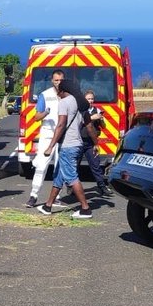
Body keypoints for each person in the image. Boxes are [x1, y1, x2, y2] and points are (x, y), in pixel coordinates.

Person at [37, 78, 93, 219]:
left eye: (58, 91)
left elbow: (61, 125)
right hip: (77, 143)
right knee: (59, 176)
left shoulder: (64, 102)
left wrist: (50, 146)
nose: (57, 94)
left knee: (71, 177)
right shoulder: (80, 103)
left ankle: (85, 209)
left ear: (62, 91)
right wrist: (96, 143)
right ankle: (48, 206)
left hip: (68, 145)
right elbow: (89, 126)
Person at [26, 69, 64, 207]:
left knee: (60, 168)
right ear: (52, 81)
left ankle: (57, 196)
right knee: (41, 166)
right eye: (56, 80)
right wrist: (45, 112)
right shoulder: (45, 95)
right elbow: (36, 117)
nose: (58, 83)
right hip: (48, 134)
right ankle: (33, 195)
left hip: (63, 135)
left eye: (60, 80)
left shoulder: (68, 95)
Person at [81, 89, 115, 198]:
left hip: (91, 142)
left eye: (92, 99)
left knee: (96, 165)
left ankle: (102, 187)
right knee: (74, 165)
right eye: (88, 99)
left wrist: (101, 119)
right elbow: (78, 122)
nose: (90, 101)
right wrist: (91, 118)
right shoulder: (79, 110)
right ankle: (71, 187)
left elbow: (104, 127)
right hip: (79, 141)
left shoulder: (97, 110)